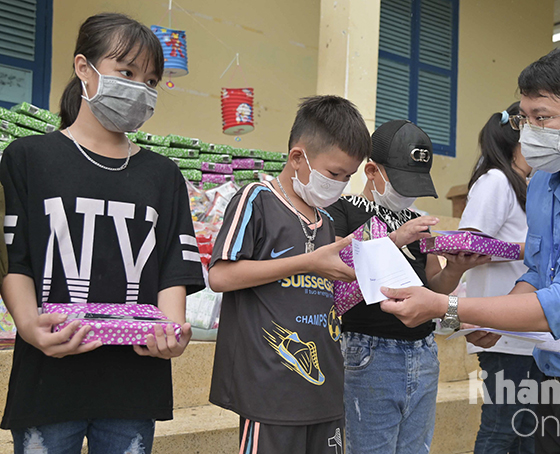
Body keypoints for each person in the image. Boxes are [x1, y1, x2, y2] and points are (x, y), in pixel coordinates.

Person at [379, 47, 560, 453]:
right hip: (551, 382)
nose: (527, 132)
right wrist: (500, 324)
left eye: (543, 118)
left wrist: (445, 307)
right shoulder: (542, 184)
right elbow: (539, 273)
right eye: (525, 117)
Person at [0, 13, 205, 453]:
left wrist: (171, 333)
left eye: (150, 81)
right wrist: (29, 326)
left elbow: (173, 265)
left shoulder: (163, 175)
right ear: (83, 68)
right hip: (48, 378)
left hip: (134, 383)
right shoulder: (27, 158)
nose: (139, 89)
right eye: (126, 72)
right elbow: (14, 258)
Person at [208, 95, 371, 453]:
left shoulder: (326, 221)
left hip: (325, 390)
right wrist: (306, 262)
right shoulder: (256, 199)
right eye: (333, 173)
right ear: (298, 157)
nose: (340, 184)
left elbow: (327, 296)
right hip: (270, 391)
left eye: (347, 177)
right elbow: (219, 276)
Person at [325, 120, 489, 454]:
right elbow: (339, 270)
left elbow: (435, 288)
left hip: (423, 352)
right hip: (368, 352)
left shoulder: (416, 221)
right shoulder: (341, 210)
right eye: (401, 183)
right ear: (372, 170)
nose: (408, 193)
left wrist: (456, 267)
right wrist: (395, 238)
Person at [459, 103, 542, 454]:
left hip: (527, 330)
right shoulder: (495, 181)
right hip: (501, 330)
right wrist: (530, 250)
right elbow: (466, 247)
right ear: (517, 142)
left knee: (526, 429)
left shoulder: (526, 185)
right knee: (501, 426)